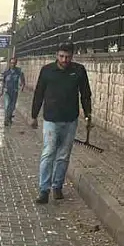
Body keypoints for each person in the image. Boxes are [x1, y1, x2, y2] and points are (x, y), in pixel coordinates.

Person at [30, 43, 92, 204]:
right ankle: (44, 190)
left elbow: (85, 94)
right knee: (48, 152)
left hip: (70, 119)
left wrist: (88, 115)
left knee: (63, 155)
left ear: (72, 56)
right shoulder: (47, 71)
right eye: (61, 56)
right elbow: (39, 93)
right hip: (51, 119)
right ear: (56, 55)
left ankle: (57, 186)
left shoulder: (78, 71)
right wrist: (33, 115)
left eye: (68, 57)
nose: (64, 60)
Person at [0, 57, 26, 126]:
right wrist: (2, 90)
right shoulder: (6, 72)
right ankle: (6, 120)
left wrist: (23, 85)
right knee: (7, 105)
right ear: (9, 63)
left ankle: (9, 118)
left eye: (14, 63)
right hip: (7, 92)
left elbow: (22, 79)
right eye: (11, 63)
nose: (12, 64)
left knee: (12, 106)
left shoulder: (18, 71)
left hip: (14, 92)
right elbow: (3, 82)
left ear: (16, 63)